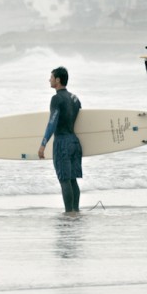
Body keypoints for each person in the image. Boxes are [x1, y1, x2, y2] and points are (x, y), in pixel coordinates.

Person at [38, 66, 83, 214]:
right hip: (75, 142)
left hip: (62, 142)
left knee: (64, 180)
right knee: (72, 180)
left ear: (58, 80)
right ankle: (75, 211)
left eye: (51, 77)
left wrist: (43, 144)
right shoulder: (75, 99)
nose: (49, 80)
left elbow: (52, 122)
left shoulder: (56, 99)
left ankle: (69, 213)